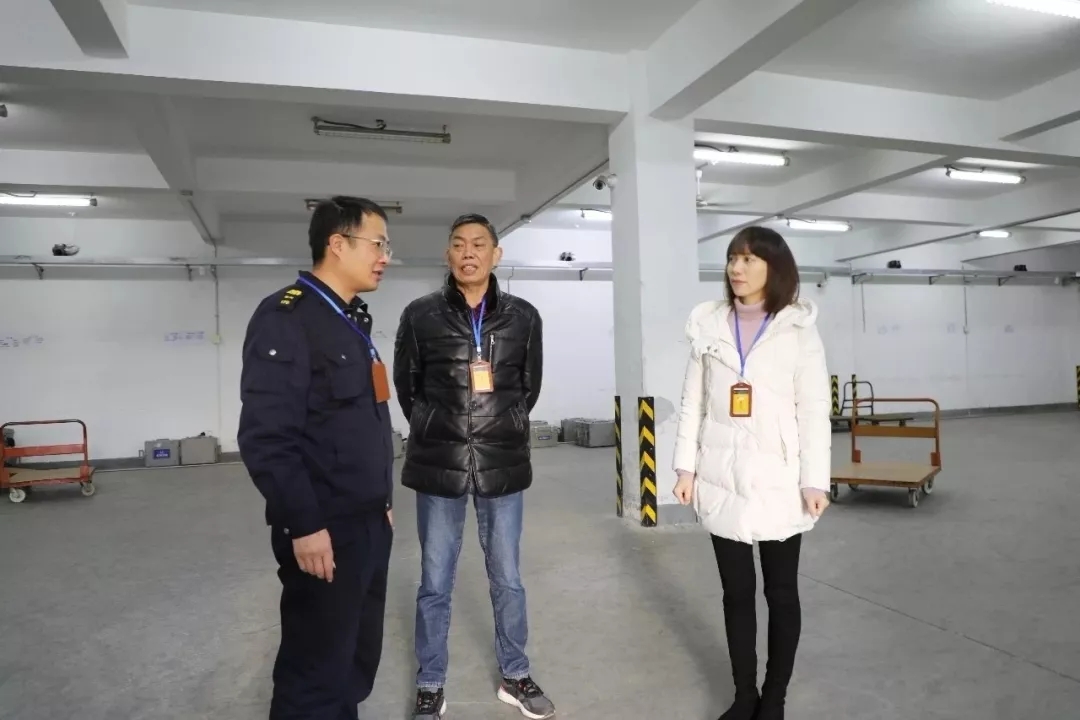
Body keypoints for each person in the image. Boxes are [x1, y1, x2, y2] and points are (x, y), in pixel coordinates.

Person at [237, 196, 396, 720]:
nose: (385, 257)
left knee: (353, 659)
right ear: (337, 244)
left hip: (365, 520)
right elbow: (267, 437)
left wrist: (381, 501)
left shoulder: (348, 319)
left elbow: (360, 423)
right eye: (378, 243)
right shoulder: (288, 317)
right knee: (315, 669)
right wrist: (304, 525)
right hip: (324, 528)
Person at [393, 213, 553, 720]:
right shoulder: (420, 315)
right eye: (459, 244)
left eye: (479, 244)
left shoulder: (524, 317)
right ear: (448, 254)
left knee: (508, 578)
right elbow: (407, 386)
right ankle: (431, 682)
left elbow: (528, 387)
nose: (469, 252)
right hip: (439, 461)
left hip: (500, 461)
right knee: (434, 581)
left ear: (495, 254)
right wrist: (436, 425)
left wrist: (500, 425)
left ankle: (516, 674)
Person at [671, 226, 832, 720]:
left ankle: (774, 699)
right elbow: (693, 402)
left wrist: (815, 479)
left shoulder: (797, 329)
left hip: (779, 479)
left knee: (781, 594)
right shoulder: (708, 324)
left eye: (748, 260)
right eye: (732, 259)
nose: (736, 269)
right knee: (736, 594)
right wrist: (685, 467)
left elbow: (813, 409)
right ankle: (745, 697)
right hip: (721, 475)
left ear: (773, 268)